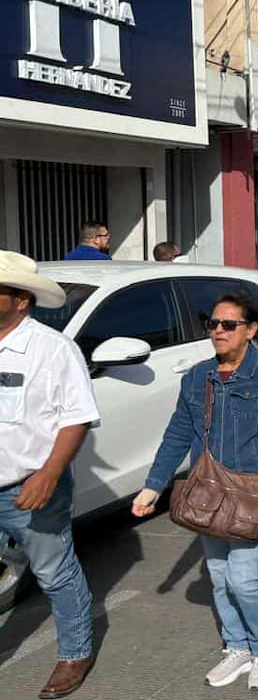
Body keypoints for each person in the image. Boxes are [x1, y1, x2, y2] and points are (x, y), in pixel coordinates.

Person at [133, 292, 258, 690]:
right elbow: (178, 432)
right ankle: (238, 645)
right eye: (213, 323)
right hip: (210, 492)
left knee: (244, 577)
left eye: (229, 324)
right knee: (217, 574)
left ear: (251, 330)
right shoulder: (198, 377)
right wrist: (152, 486)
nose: (218, 331)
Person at [0, 251, 100, 699]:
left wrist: (47, 475)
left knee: (54, 572)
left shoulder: (53, 349)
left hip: (30, 484)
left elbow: (76, 417)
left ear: (21, 300)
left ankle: (75, 653)